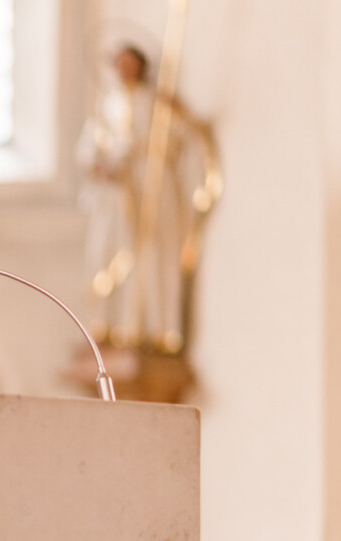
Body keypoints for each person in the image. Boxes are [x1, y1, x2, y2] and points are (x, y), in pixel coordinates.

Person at [75, 43, 220, 354]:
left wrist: (178, 111)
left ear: (140, 66)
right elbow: (88, 150)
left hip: (153, 183)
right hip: (118, 190)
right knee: (111, 252)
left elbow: (187, 136)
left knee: (155, 253)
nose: (124, 69)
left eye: (129, 63)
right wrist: (100, 166)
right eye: (119, 63)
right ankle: (112, 324)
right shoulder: (106, 106)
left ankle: (157, 327)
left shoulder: (157, 103)